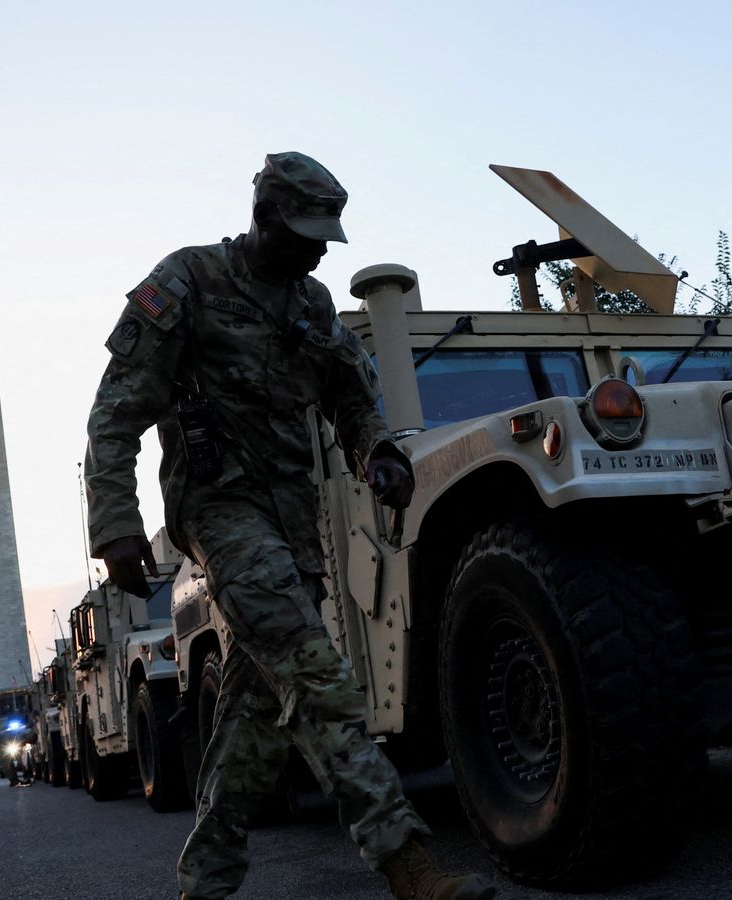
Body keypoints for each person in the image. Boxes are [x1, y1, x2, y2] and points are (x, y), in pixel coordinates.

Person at [84, 152, 495, 900]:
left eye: (325, 235)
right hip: (223, 514)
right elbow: (115, 417)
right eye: (303, 230)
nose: (315, 247)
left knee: (251, 719)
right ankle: (408, 864)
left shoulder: (312, 307)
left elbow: (354, 399)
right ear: (265, 216)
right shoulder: (190, 282)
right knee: (316, 675)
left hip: (293, 529)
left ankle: (204, 881)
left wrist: (378, 453)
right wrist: (116, 524)